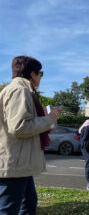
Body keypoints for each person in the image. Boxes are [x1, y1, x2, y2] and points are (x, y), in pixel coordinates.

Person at [0, 56, 61, 215]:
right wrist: (49, 119)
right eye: (41, 73)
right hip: (16, 162)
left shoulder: (19, 90)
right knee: (9, 209)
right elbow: (19, 127)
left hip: (19, 161)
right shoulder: (20, 91)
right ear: (33, 74)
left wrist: (46, 122)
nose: (41, 77)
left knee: (28, 204)